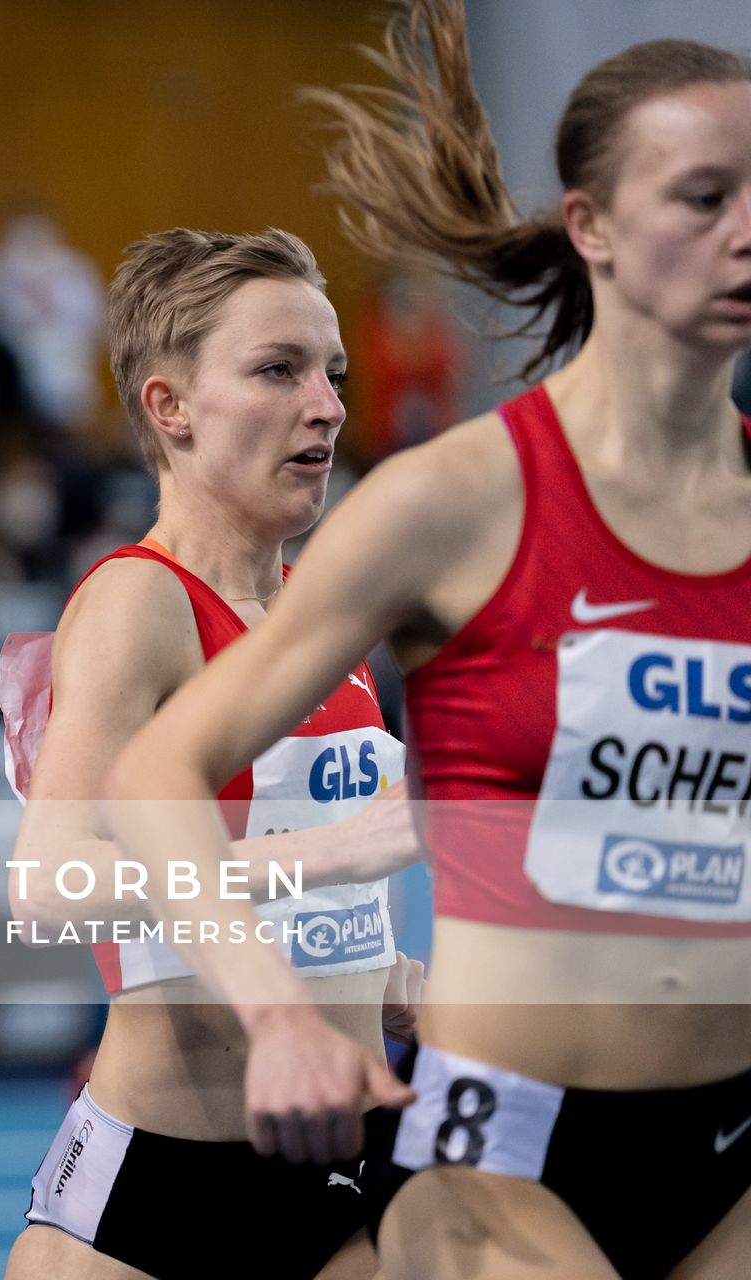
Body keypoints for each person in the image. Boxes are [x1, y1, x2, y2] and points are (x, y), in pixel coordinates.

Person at [106, 6, 750, 1276]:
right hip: (499, 1166)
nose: (746, 231)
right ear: (594, 229)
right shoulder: (449, 502)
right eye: (703, 196)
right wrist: (281, 1013)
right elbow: (150, 776)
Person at [1, 228, 423, 1280]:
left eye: (331, 371)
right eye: (277, 370)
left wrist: (403, 981)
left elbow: (319, 912)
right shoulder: (139, 602)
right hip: (166, 1195)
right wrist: (328, 855)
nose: (324, 403)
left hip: (343, 1171)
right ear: (170, 407)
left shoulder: (324, 622)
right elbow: (50, 883)